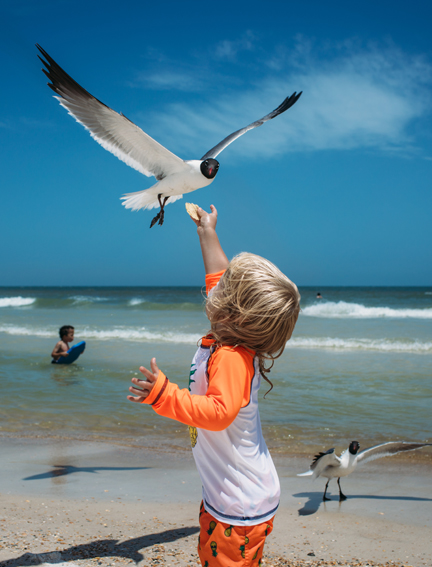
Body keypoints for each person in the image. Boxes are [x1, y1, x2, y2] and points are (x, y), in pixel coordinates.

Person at [127, 205, 301, 567]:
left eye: (224, 292)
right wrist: (207, 231)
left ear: (233, 313)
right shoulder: (228, 332)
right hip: (232, 491)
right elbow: (218, 276)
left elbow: (220, 414)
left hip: (239, 500)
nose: (214, 291)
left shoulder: (232, 357)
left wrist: (165, 395)